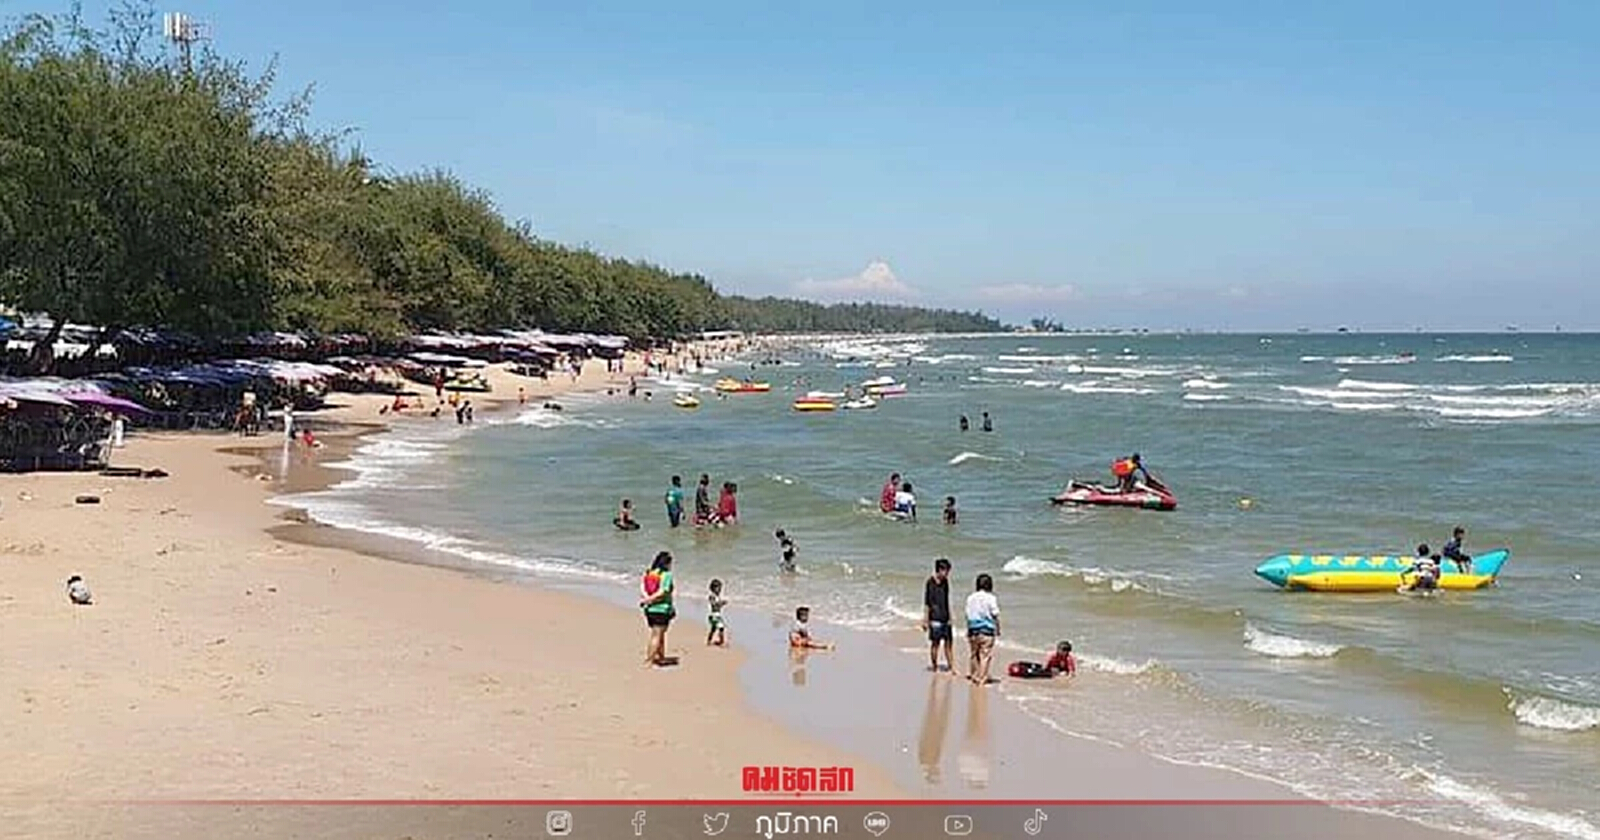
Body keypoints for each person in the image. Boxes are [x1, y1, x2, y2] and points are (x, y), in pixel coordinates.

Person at [639, 551, 676, 665]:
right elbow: (663, 591)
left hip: (649, 609)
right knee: (656, 635)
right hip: (661, 608)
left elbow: (642, 587)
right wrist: (649, 600)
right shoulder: (666, 575)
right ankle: (649, 660)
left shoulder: (649, 573)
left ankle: (661, 656)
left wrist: (647, 599)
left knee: (659, 634)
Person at [965, 573, 1000, 685]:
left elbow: (968, 615)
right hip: (986, 630)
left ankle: (974, 675)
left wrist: (968, 629)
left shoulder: (970, 598)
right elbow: (994, 614)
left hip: (973, 629)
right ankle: (982, 677)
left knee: (974, 654)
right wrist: (998, 628)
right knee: (985, 655)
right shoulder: (991, 598)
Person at [922, 558, 955, 672]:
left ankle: (951, 666)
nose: (947, 574)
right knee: (935, 644)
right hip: (935, 618)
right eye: (946, 571)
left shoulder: (946, 582)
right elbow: (927, 602)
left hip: (945, 617)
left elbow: (946, 600)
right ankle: (935, 666)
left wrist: (950, 616)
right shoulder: (930, 582)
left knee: (949, 643)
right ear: (939, 570)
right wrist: (925, 620)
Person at [706, 579, 729, 647]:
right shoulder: (712, 596)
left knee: (713, 629)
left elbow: (718, 605)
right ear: (713, 588)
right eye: (718, 588)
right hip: (714, 615)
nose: (720, 590)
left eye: (720, 588)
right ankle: (722, 642)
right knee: (721, 628)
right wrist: (720, 603)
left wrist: (722, 603)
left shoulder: (717, 597)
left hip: (717, 615)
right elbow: (714, 604)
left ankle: (709, 640)